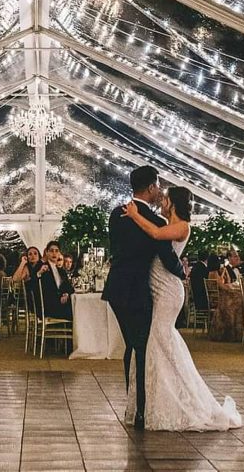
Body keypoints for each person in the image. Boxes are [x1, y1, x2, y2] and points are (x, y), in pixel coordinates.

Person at [123, 186, 241, 431]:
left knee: (159, 339)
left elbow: (156, 234)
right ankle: (158, 401)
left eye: (165, 199)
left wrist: (135, 215)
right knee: (159, 342)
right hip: (157, 288)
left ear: (173, 202)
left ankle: (179, 400)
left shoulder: (183, 226)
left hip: (167, 290)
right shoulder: (168, 222)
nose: (161, 201)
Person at [102, 165, 185, 430]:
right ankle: (140, 409)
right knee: (141, 348)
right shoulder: (156, 222)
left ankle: (133, 401)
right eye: (158, 185)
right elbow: (166, 255)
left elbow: (116, 247)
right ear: (150, 187)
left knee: (132, 346)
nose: (160, 190)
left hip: (116, 288)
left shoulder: (117, 214)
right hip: (138, 290)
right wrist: (181, 271)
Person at [37, 242, 74, 319]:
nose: (54, 253)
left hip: (60, 304)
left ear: (59, 253)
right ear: (46, 253)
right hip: (47, 306)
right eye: (51, 251)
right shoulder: (41, 266)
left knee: (77, 306)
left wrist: (66, 294)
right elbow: (34, 284)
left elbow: (70, 288)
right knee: (76, 309)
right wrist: (39, 273)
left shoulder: (61, 270)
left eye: (56, 251)